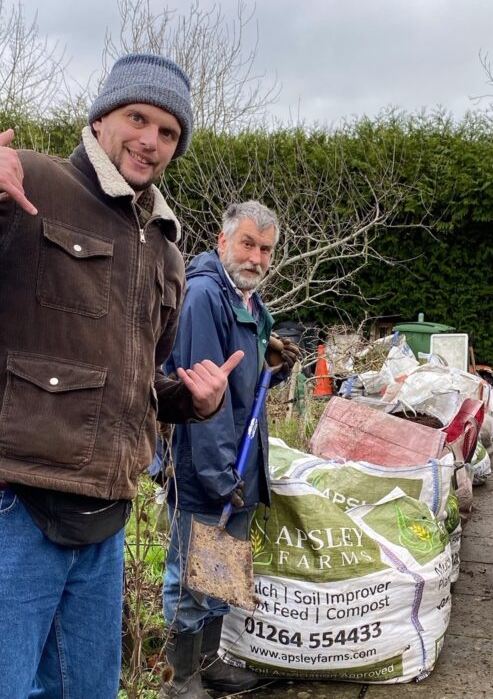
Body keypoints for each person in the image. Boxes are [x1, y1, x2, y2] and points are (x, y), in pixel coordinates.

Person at [0, 53, 242, 699]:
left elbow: (129, 385)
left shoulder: (166, 251)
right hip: (10, 503)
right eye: (138, 117)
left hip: (103, 518)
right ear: (101, 118)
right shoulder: (27, 186)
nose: (150, 140)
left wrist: (192, 400)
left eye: (169, 132)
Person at [159, 202, 297, 699]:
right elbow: (203, 397)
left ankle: (211, 664)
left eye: (265, 249)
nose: (257, 257)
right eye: (247, 244)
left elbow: (241, 384)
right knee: (194, 575)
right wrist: (220, 477)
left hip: (237, 464)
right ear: (222, 241)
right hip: (204, 465)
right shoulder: (203, 297)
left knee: (221, 572)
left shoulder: (246, 301)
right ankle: (180, 680)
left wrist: (272, 366)